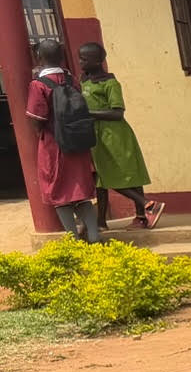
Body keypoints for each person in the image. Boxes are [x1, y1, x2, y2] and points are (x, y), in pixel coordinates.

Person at [77, 42, 162, 231]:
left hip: (114, 134)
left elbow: (117, 113)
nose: (80, 62)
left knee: (125, 174)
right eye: (80, 58)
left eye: (84, 59)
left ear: (98, 61)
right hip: (96, 136)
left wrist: (88, 113)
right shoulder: (84, 80)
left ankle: (145, 210)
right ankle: (101, 222)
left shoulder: (110, 83)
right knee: (100, 177)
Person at [24, 38, 98, 241]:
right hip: (78, 143)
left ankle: (73, 240)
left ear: (39, 57)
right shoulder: (72, 80)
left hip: (53, 144)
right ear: (62, 56)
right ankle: (94, 236)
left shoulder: (38, 85)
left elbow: (37, 118)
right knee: (81, 192)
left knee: (59, 195)